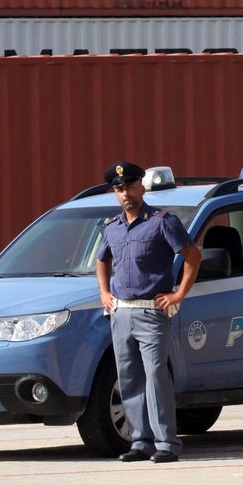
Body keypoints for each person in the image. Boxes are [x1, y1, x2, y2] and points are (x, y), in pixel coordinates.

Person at [95, 160, 202, 463]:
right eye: (120, 189)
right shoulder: (112, 227)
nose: (126, 193)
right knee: (128, 377)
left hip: (151, 312)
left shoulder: (162, 221)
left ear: (141, 187)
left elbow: (192, 255)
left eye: (130, 186)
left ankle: (166, 443)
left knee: (156, 375)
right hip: (121, 313)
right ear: (114, 193)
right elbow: (102, 260)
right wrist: (104, 292)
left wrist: (179, 293)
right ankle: (141, 442)